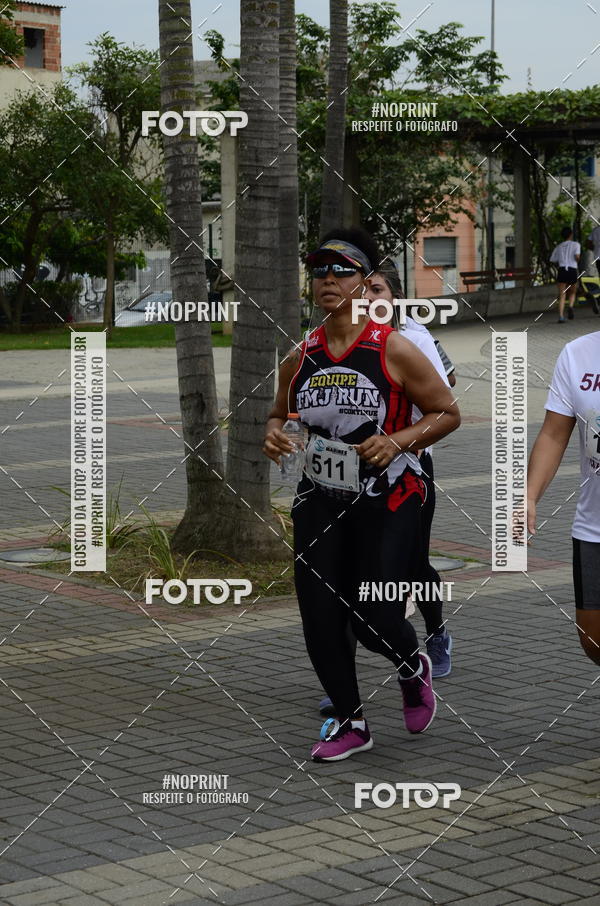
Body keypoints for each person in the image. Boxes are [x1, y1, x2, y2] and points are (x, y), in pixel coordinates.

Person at [263, 228, 461, 762]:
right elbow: (279, 411)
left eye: (341, 271)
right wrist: (275, 430)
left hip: (389, 496)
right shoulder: (303, 352)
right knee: (319, 611)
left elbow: (448, 413)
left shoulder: (392, 347)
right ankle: (351, 722)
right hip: (320, 497)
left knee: (373, 615)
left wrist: (396, 439)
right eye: (320, 272)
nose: (328, 280)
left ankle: (410, 665)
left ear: (364, 281)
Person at [527, 329, 600, 663]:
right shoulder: (577, 354)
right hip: (593, 528)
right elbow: (554, 435)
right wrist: (529, 495)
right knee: (594, 640)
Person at [550, 226, 581, 323]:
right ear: (571, 234)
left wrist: (559, 264)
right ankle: (571, 306)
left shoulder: (558, 246)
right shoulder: (576, 245)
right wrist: (577, 259)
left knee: (562, 294)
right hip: (572, 270)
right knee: (572, 292)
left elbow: (552, 259)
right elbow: (577, 257)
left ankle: (561, 316)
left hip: (562, 270)